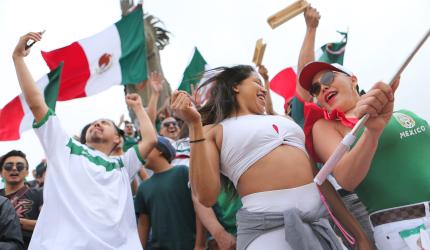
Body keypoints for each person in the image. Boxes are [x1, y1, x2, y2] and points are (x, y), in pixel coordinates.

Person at [171, 65, 376, 249]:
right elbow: (206, 196)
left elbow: (320, 181)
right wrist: (194, 126)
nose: (264, 89)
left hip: (318, 227)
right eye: (257, 82)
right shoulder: (211, 130)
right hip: (266, 234)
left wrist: (359, 235)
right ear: (235, 86)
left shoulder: (284, 120)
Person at [296, 8, 430, 250]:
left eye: (327, 78)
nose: (322, 89)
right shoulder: (325, 127)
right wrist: (372, 131)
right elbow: (346, 179)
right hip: (407, 231)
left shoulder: (404, 114)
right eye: (315, 89)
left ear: (353, 79)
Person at [12, 32, 157, 249]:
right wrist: (18, 59)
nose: (96, 124)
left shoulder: (122, 165)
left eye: (104, 123)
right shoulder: (64, 149)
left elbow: (150, 139)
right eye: (93, 123)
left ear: (118, 139)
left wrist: (138, 107)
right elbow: (36, 103)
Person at [134, 136, 198, 250]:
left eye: (145, 148)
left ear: (160, 150)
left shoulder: (183, 172)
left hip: (192, 245)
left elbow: (201, 208)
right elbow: (143, 225)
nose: (141, 153)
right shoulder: (143, 188)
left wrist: (201, 243)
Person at [0, 150, 43, 249]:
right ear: (1, 173)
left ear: (27, 172)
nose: (14, 168)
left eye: (19, 166)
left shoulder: (40, 194)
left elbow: (49, 225)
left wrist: (10, 221)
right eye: (8, 166)